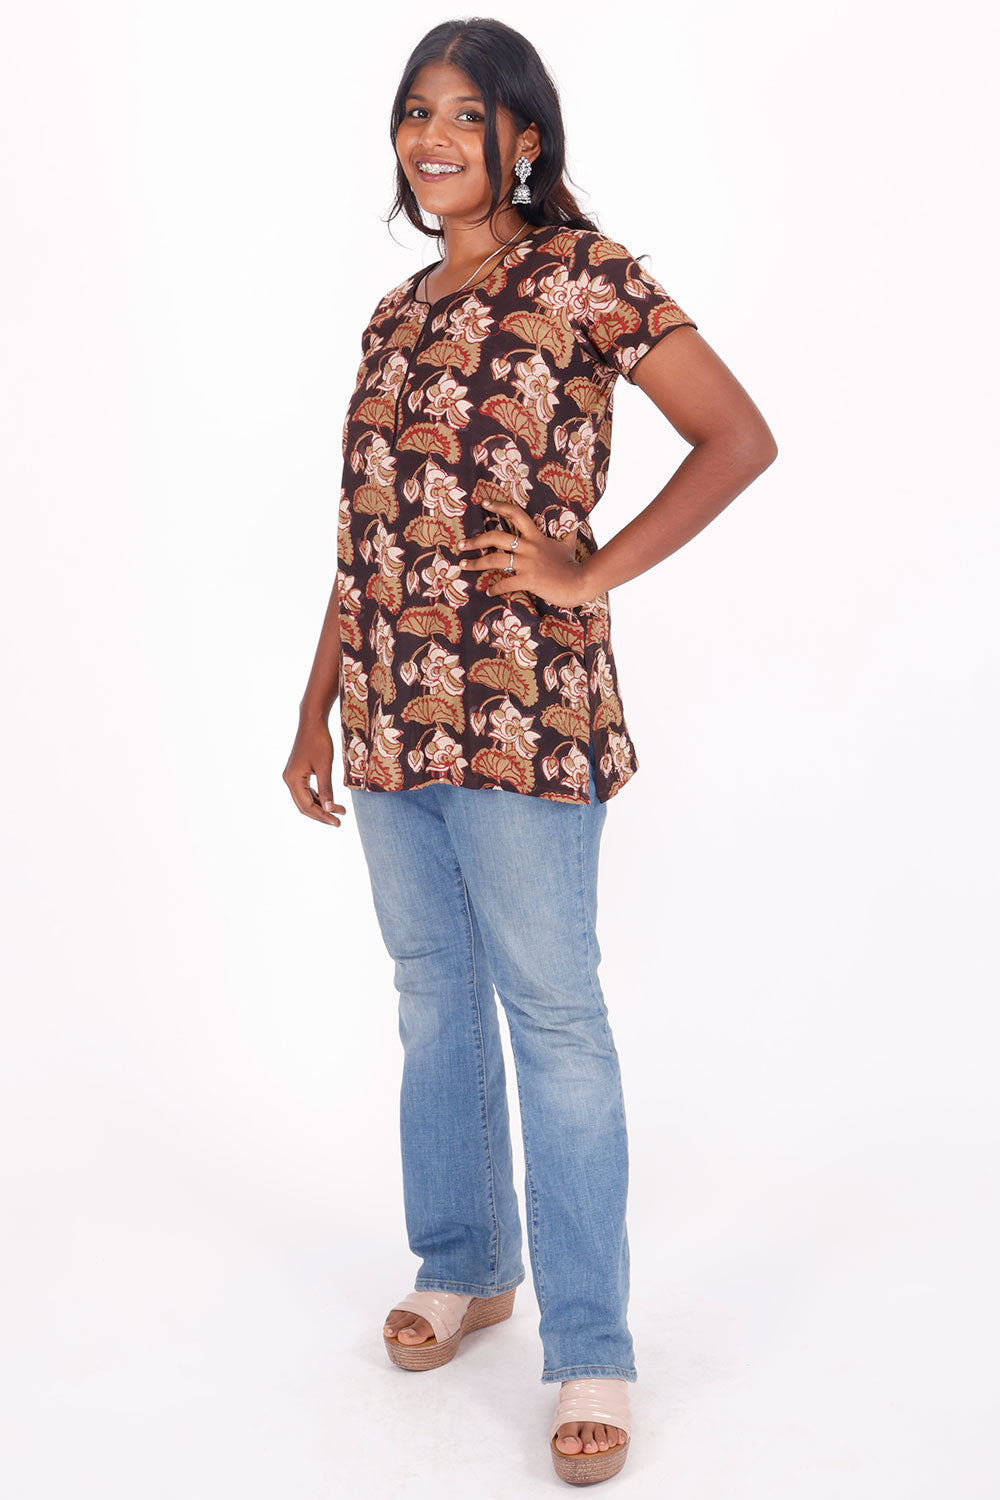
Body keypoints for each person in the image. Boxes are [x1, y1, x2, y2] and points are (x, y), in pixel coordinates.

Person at [283, 17, 777, 1487]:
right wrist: (313, 704)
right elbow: (367, 534)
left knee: (553, 1021)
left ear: (524, 141)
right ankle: (466, 1264)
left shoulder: (587, 276)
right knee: (432, 1000)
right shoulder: (392, 316)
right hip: (387, 718)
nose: (432, 138)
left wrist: (589, 573)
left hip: (525, 717)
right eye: (413, 112)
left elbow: (738, 437)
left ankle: (593, 1349)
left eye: (464, 114)